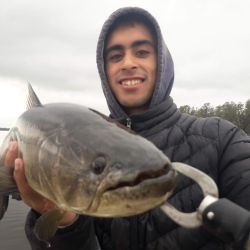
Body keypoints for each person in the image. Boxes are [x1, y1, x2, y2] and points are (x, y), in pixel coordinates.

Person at [4, 6, 250, 250]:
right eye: (115, 56)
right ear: (105, 70)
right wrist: (66, 224)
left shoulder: (225, 141)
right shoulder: (72, 161)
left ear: (162, 62)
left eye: (142, 52)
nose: (128, 63)